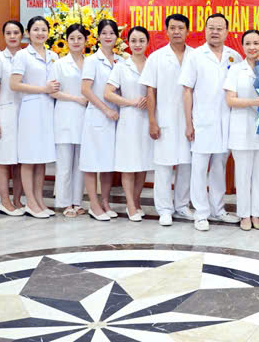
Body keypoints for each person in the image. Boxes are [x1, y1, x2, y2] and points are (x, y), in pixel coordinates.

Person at [180, 13, 242, 231]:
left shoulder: (234, 57)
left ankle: (218, 209)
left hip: (227, 121)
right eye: (211, 27)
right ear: (205, 30)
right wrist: (189, 123)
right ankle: (201, 213)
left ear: (227, 31)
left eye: (219, 28)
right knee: (199, 168)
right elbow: (186, 91)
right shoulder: (195, 56)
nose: (215, 31)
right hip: (202, 121)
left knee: (219, 166)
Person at [140, 13, 194, 227]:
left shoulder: (195, 55)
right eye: (172, 28)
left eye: (181, 28)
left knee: (186, 164)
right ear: (166, 31)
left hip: (189, 120)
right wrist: (152, 120)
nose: (177, 31)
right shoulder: (156, 57)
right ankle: (164, 209)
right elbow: (150, 91)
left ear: (188, 30)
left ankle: (182, 206)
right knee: (163, 166)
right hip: (164, 119)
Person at [224, 30, 259, 230]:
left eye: (256, 43)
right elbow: (230, 99)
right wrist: (253, 102)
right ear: (242, 46)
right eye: (248, 43)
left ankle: (256, 214)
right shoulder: (235, 70)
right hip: (241, 128)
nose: (252, 47)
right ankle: (244, 215)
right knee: (243, 174)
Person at [10, 16, 59, 218]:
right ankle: (30, 201)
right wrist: (42, 89)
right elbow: (14, 84)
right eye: (36, 29)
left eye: (44, 29)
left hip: (48, 109)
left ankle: (39, 200)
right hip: (30, 109)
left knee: (42, 160)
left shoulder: (53, 55)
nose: (40, 33)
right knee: (30, 158)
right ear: (28, 33)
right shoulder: (22, 56)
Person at [106, 26, 153, 222]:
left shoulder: (152, 64)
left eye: (141, 40)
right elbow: (107, 93)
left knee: (142, 163)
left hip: (146, 119)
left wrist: (149, 102)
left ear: (147, 42)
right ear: (128, 43)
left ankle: (136, 200)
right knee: (128, 164)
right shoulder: (121, 66)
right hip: (128, 119)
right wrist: (131, 102)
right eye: (133, 41)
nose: (137, 44)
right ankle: (130, 205)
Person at [79, 19, 122, 221]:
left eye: (111, 33)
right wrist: (105, 110)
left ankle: (105, 202)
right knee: (92, 162)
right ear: (98, 37)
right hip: (97, 115)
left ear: (116, 36)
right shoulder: (91, 61)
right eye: (104, 33)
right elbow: (85, 90)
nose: (108, 36)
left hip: (115, 118)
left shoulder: (120, 60)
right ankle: (94, 205)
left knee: (108, 163)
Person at [0, 20, 26, 216]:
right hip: (5, 113)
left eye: (16, 32)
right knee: (3, 160)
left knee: (20, 161)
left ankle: (18, 200)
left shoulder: (27, 57)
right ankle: (4, 201)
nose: (12, 36)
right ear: (3, 36)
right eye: (8, 33)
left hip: (25, 113)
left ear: (22, 35)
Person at [51, 23, 89, 217]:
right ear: (66, 40)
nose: (76, 42)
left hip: (85, 117)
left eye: (79, 38)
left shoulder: (90, 63)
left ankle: (77, 201)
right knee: (65, 163)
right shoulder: (59, 64)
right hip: (65, 115)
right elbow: (54, 92)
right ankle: (65, 203)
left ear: (86, 41)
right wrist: (76, 99)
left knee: (81, 163)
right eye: (72, 38)